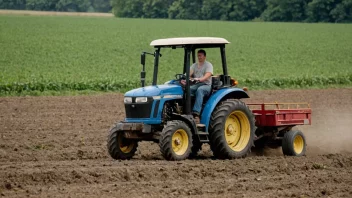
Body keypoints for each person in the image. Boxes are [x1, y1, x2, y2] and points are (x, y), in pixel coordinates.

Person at [181, 49, 213, 124]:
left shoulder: (208, 65)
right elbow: (189, 73)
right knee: (187, 89)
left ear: (204, 56)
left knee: (200, 90)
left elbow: (207, 75)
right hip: (196, 84)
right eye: (198, 56)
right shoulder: (195, 65)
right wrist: (184, 78)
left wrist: (200, 79)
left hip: (206, 85)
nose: (199, 57)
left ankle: (196, 114)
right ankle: (185, 110)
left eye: (200, 56)